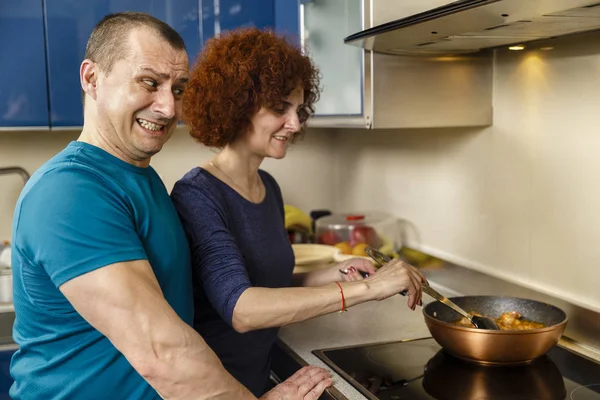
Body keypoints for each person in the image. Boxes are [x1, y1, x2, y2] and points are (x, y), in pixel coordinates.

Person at [9, 12, 331, 400]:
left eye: (178, 89)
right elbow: (163, 351)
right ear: (91, 79)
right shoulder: (70, 192)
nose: (168, 107)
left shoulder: (141, 180)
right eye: (149, 83)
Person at [171, 27, 428, 396]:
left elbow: (268, 282)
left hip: (259, 382)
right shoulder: (196, 195)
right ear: (237, 104)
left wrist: (333, 273)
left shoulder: (268, 188)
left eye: (298, 108)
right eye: (280, 109)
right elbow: (242, 308)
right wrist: (368, 289)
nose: (296, 123)